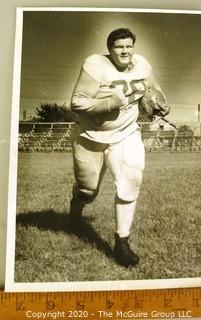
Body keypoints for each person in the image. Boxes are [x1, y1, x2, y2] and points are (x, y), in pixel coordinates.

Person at [70, 28, 166, 267]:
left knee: (131, 178)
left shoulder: (142, 64)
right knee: (88, 190)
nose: (125, 51)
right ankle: (77, 203)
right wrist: (110, 103)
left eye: (128, 46)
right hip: (90, 137)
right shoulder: (95, 65)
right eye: (119, 47)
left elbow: (154, 91)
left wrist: (159, 104)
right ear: (110, 49)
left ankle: (121, 242)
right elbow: (77, 102)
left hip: (126, 133)